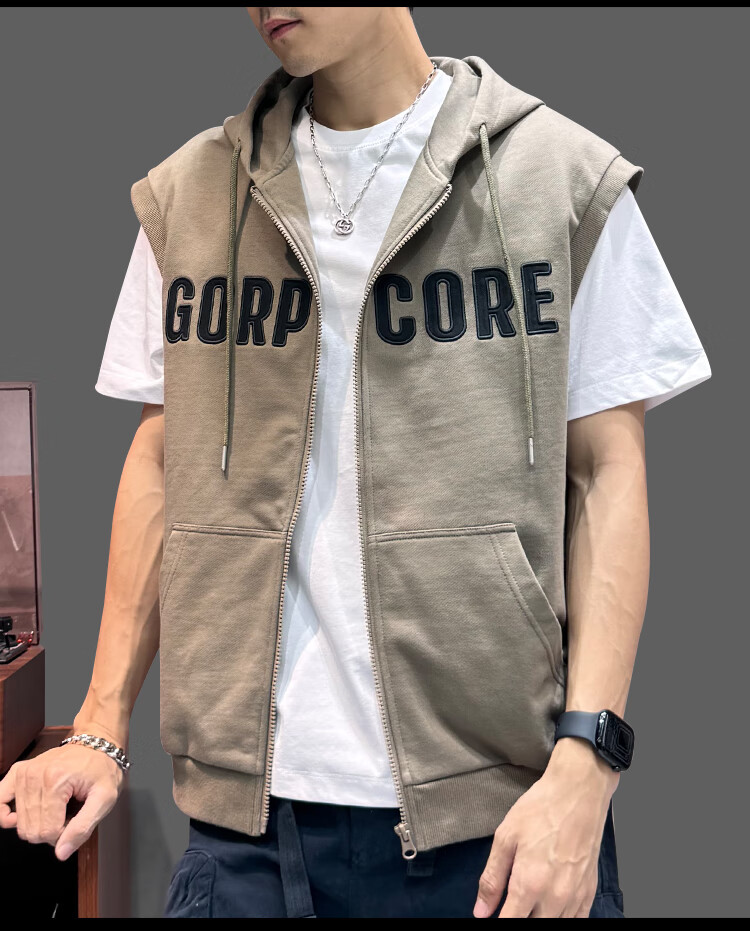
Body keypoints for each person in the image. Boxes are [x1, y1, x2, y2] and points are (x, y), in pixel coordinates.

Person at [0, 7, 711, 919]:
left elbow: (606, 475)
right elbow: (161, 463)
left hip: (502, 830)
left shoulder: (560, 178)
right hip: (247, 836)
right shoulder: (190, 197)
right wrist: (99, 726)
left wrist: (589, 763)